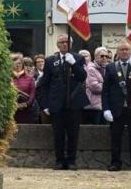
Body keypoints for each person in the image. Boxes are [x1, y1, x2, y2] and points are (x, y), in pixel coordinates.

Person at [39, 34, 90, 170]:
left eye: (67, 42)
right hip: (56, 103)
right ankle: (59, 160)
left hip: (74, 102)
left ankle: (71, 160)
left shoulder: (78, 58)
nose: (64, 44)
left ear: (71, 44)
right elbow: (45, 84)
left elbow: (82, 77)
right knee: (58, 134)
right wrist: (45, 105)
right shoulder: (50, 60)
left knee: (73, 133)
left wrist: (73, 63)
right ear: (57, 44)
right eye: (61, 42)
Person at [102, 42, 131, 172]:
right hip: (117, 108)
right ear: (117, 52)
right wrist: (105, 108)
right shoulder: (111, 67)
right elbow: (105, 90)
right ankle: (115, 162)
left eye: (127, 49)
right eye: (122, 49)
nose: (124, 52)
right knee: (116, 137)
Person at [84, 46, 109, 125]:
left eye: (106, 56)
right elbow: (95, 87)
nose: (104, 58)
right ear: (95, 57)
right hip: (93, 107)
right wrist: (108, 87)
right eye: (102, 56)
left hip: (105, 106)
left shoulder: (107, 68)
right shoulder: (90, 69)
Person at [13, 55, 37, 124]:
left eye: (19, 63)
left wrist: (25, 104)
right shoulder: (8, 78)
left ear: (22, 65)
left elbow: (32, 95)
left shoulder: (30, 78)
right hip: (12, 111)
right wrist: (15, 105)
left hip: (27, 111)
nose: (17, 65)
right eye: (15, 63)